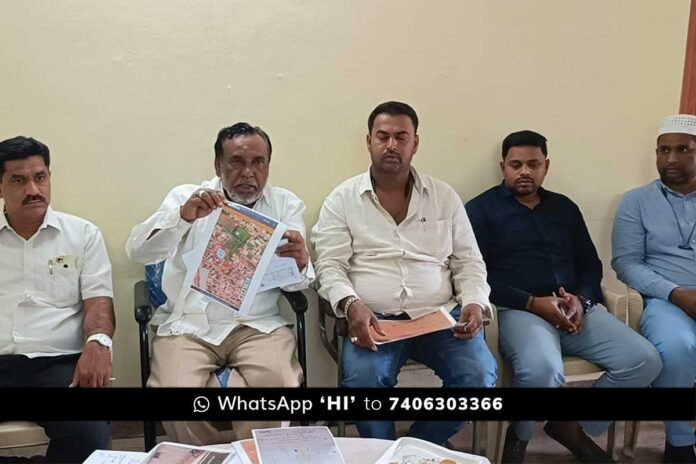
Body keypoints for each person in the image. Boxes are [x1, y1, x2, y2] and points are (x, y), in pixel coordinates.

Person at [466, 130, 662, 464]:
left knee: (644, 360)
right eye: (516, 164)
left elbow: (589, 264)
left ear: (546, 166)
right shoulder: (480, 210)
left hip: (575, 311)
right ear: (503, 167)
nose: (524, 171)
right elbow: (477, 275)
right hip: (518, 310)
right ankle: (519, 437)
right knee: (542, 370)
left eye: (533, 164)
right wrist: (533, 303)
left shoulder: (564, 207)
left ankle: (570, 427)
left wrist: (581, 301)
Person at [311, 101, 497, 446]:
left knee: (478, 378)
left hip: (439, 317)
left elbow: (469, 262)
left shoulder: (444, 197)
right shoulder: (343, 199)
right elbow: (330, 266)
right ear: (369, 141)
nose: (392, 145)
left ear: (415, 143)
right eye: (383, 136)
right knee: (363, 383)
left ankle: (415, 446)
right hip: (374, 320)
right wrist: (350, 303)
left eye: (401, 137)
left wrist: (474, 301)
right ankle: (384, 455)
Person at [126, 122, 314, 445]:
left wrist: (301, 262)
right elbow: (138, 250)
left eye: (258, 162)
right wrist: (182, 217)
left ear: (268, 165)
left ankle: (253, 457)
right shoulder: (187, 197)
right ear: (218, 165)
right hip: (189, 326)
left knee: (281, 384)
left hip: (257, 325)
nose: (248, 172)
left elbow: (296, 285)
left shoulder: (286, 205)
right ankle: (206, 457)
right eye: (237, 162)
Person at [0, 136, 114, 463]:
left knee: (89, 433)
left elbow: (98, 301)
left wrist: (99, 340)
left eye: (40, 177)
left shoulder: (82, 235)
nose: (33, 190)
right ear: (0, 186)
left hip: (57, 364)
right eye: (18, 181)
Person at [612, 114, 696, 464]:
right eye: (663, 150)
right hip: (666, 301)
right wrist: (677, 293)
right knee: (676, 347)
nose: (671, 158)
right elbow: (626, 263)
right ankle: (680, 442)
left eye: (683, 150)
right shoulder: (636, 201)